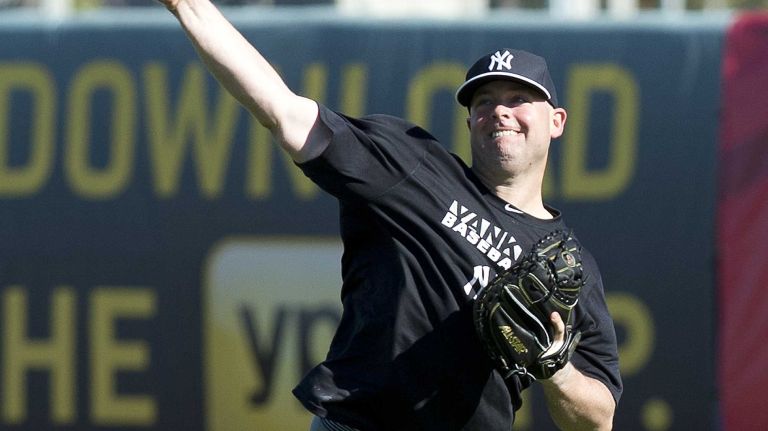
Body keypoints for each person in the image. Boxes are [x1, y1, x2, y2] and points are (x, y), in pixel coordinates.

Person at [157, 1, 623, 429]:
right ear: (468, 122)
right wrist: (187, 5)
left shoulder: (568, 265)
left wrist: (555, 366)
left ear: (557, 121)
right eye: (484, 102)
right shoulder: (412, 166)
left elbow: (598, 420)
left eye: (518, 99)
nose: (499, 111)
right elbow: (283, 111)